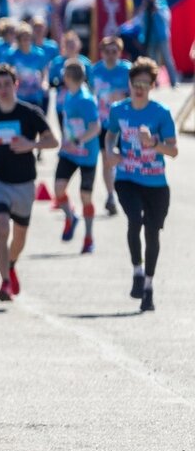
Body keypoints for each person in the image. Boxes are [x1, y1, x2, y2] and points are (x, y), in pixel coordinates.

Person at [105, 58, 178, 312]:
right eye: (136, 83)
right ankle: (137, 269)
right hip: (127, 178)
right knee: (135, 219)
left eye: (145, 84)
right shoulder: (118, 110)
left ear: (152, 86)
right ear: (130, 84)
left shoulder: (161, 113)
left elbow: (174, 151)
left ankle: (148, 286)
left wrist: (153, 144)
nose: (139, 88)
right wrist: (110, 151)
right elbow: (110, 134)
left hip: (156, 182)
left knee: (152, 233)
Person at [0, 64, 58, 302]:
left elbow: (52, 141)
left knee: (19, 236)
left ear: (16, 85)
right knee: (2, 226)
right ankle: (5, 281)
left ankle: (11, 263)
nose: (3, 89)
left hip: (25, 182)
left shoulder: (29, 112)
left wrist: (31, 145)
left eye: (7, 84)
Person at [54, 61, 101, 254]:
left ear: (68, 77)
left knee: (85, 196)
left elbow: (95, 127)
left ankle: (89, 237)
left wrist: (79, 140)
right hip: (68, 152)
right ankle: (71, 216)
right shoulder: (68, 95)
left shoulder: (86, 99)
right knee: (58, 189)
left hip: (87, 154)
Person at [90, 37, 131, 215]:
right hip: (104, 122)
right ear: (102, 53)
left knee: (125, 158)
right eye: (107, 51)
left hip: (125, 123)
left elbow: (137, 93)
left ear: (120, 52)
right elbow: (91, 95)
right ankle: (110, 196)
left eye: (114, 51)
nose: (111, 55)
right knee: (107, 159)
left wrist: (124, 96)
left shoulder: (127, 70)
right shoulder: (95, 70)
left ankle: (128, 191)